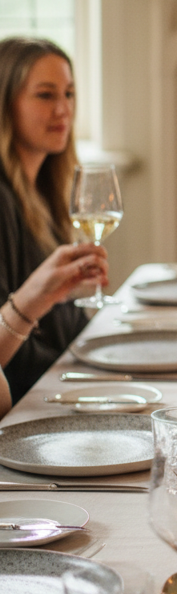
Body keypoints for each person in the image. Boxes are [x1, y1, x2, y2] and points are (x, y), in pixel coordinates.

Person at [0, 37, 108, 408]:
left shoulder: (44, 190)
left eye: (69, 93)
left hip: (57, 383)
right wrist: (37, 295)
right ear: (5, 104)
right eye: (45, 95)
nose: (63, 109)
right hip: (29, 401)